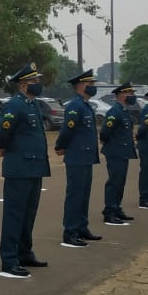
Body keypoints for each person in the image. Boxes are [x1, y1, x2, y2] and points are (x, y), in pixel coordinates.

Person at [0, 62, 52, 278]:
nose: (38, 84)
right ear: (23, 85)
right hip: (19, 167)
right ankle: (9, 259)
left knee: (29, 214)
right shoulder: (14, 105)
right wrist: (2, 149)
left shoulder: (33, 104)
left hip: (34, 167)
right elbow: (1, 133)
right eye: (34, 81)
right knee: (14, 215)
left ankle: (25, 252)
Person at [54, 70, 103, 248]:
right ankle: (70, 231)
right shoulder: (75, 106)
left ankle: (82, 227)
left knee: (83, 195)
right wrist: (61, 146)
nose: (94, 87)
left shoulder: (86, 105)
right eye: (91, 84)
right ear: (82, 86)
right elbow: (68, 129)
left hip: (86, 156)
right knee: (75, 195)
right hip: (76, 156)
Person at [99, 82, 139, 225]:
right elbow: (104, 132)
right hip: (115, 151)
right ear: (121, 95)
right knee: (114, 181)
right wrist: (110, 144)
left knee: (120, 182)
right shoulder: (114, 111)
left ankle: (116, 208)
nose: (132, 96)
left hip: (123, 151)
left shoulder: (124, 111)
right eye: (130, 93)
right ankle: (109, 211)